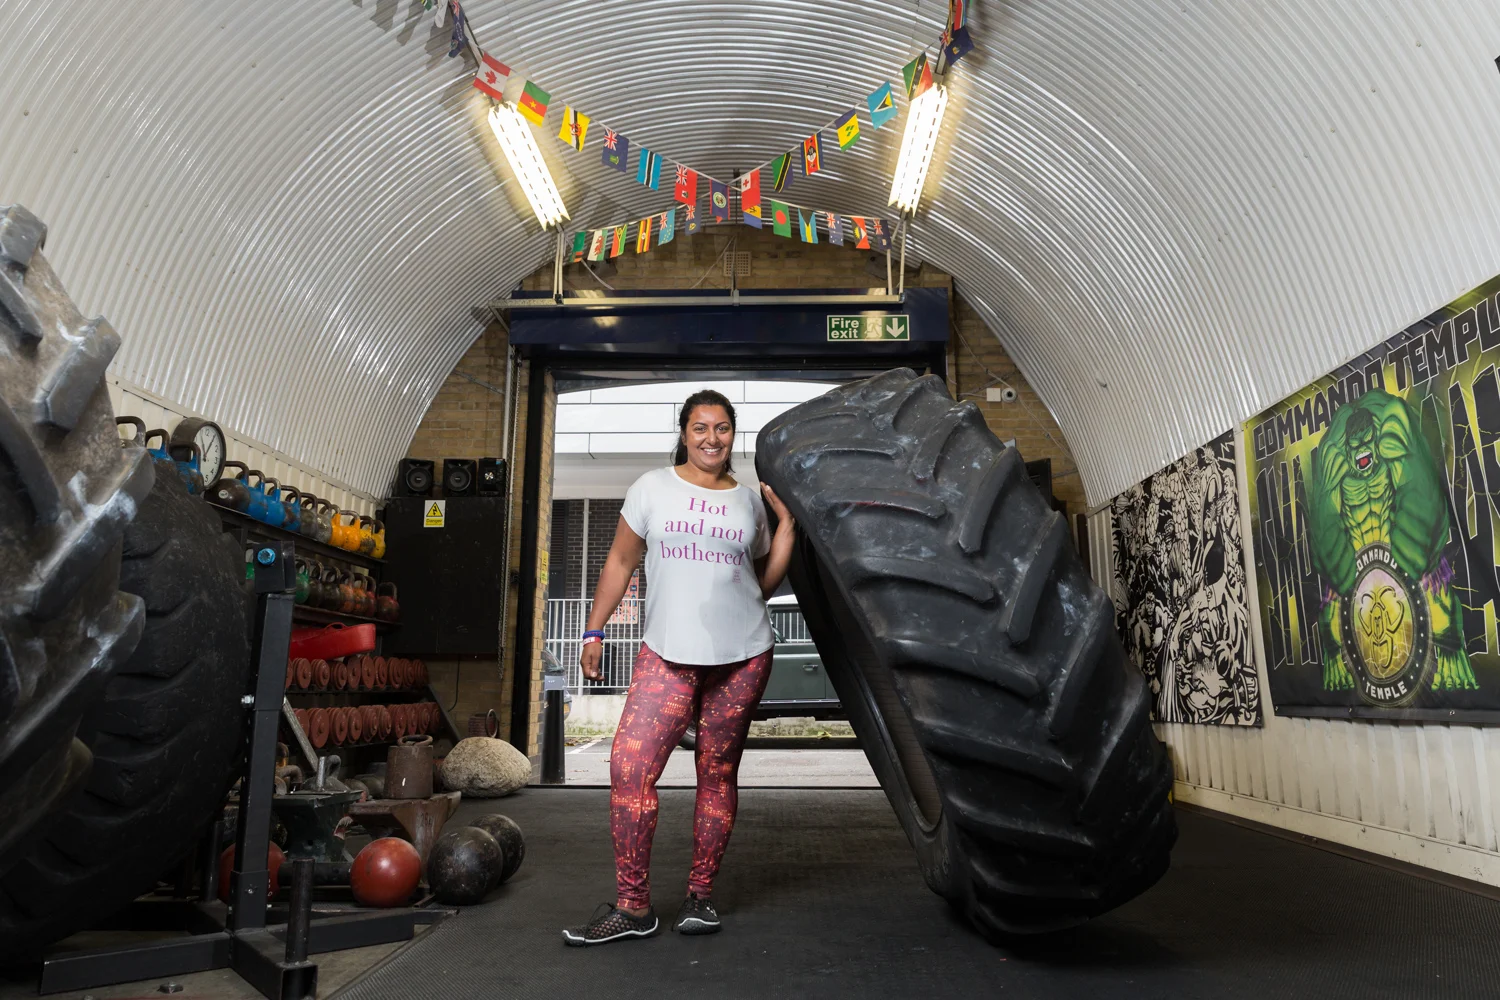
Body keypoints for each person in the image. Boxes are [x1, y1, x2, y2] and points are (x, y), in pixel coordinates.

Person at [562, 388, 795, 946]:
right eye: (700, 428)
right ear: (684, 432)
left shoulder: (748, 503)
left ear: (732, 435)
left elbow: (759, 585)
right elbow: (620, 560)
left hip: (742, 657)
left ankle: (700, 896)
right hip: (667, 654)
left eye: (722, 428)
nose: (711, 438)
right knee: (630, 767)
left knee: (716, 774)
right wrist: (594, 628)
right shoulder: (652, 488)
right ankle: (634, 906)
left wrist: (784, 530)